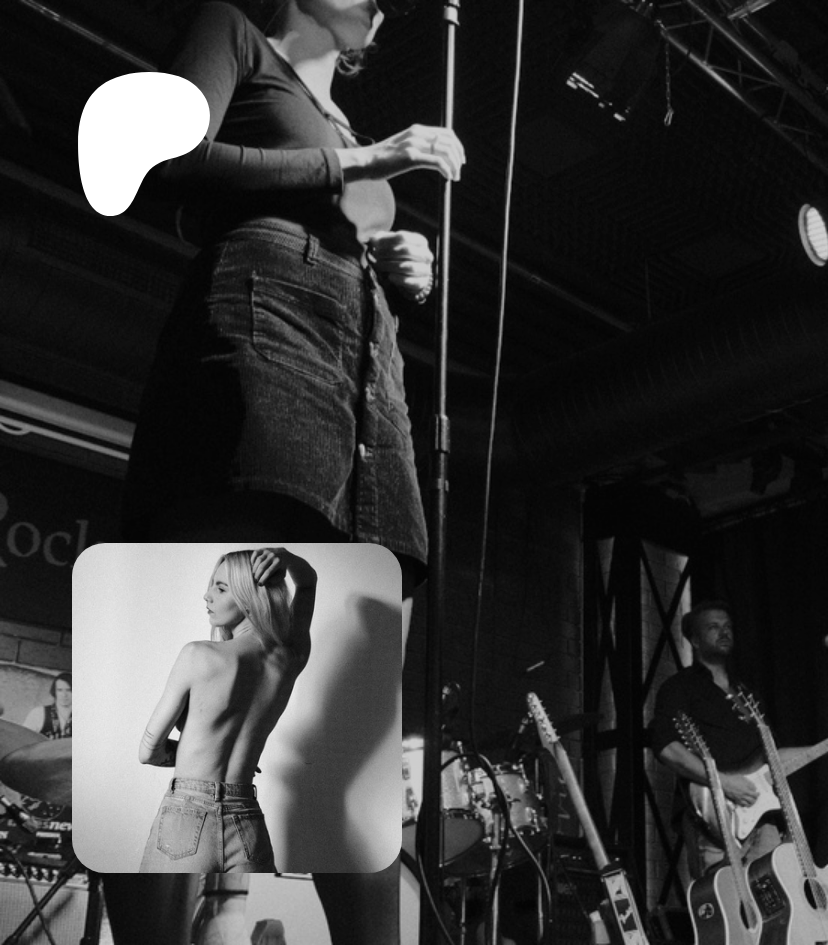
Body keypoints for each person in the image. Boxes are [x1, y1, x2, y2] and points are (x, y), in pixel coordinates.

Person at [109, 0, 459, 938]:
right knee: (207, 698)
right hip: (269, 329)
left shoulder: (345, 121)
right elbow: (165, 156)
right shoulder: (235, 36)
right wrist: (366, 160)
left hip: (368, 377)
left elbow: (347, 226)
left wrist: (401, 269)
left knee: (351, 735)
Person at [137, 547, 314, 873]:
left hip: (186, 815)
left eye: (221, 588)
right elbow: (307, 583)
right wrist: (284, 557)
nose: (207, 596)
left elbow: (148, 752)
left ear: (249, 597)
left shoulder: (198, 655)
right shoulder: (290, 657)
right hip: (248, 820)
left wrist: (193, 755)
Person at [649, 601, 828, 880]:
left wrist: (826, 747)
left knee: (773, 895)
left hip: (764, 815)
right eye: (713, 627)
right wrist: (724, 783)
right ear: (694, 640)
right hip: (715, 814)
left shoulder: (745, 694)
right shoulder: (679, 688)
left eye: (728, 627)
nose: (724, 632)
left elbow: (772, 759)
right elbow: (666, 748)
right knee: (725, 895)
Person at [21, 673, 71, 740]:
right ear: (54, 691)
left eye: (69, 690)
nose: (64, 695)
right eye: (60, 690)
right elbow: (22, 739)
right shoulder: (38, 713)